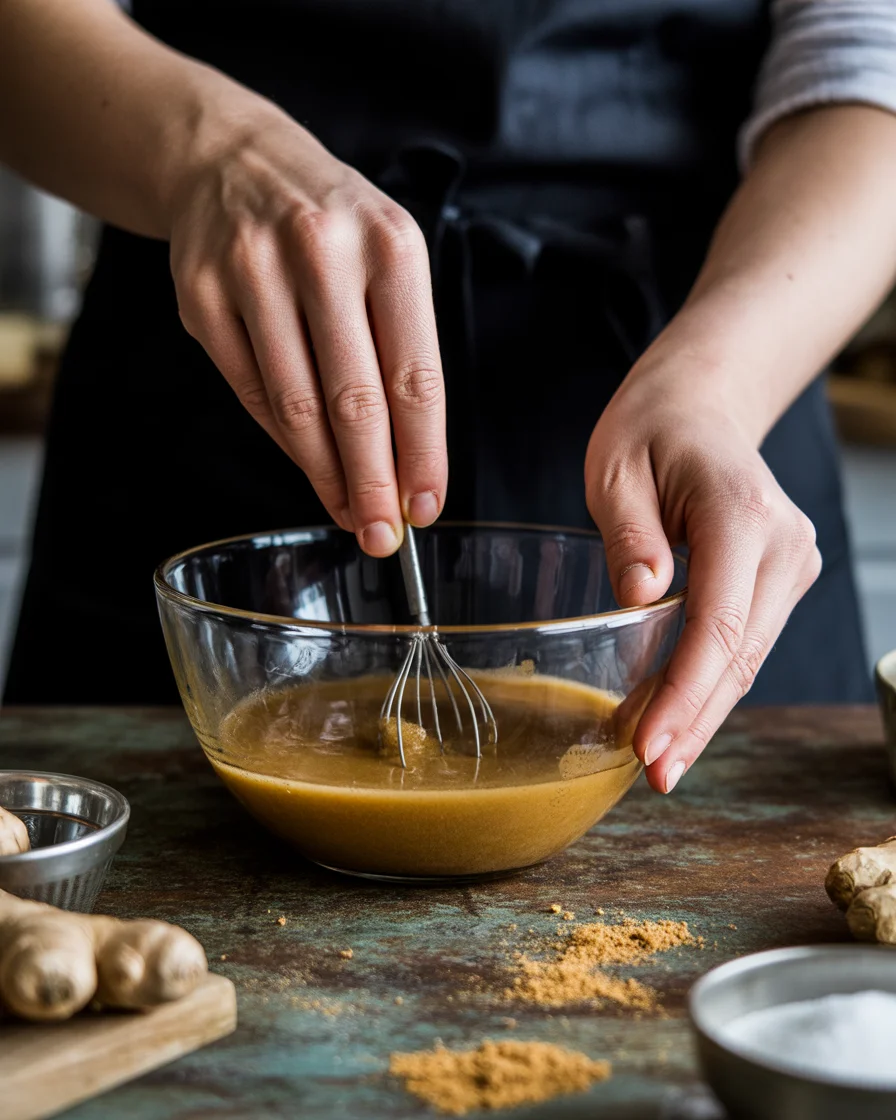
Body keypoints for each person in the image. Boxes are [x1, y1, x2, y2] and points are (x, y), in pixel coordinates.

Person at [1, 0, 894, 795]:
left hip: (719, 346)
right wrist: (210, 152)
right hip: (213, 380)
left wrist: (718, 385)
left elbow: (869, 49)